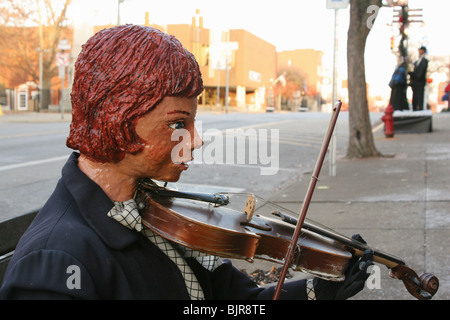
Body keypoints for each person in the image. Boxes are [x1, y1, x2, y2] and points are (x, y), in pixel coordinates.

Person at [0, 25, 373, 300]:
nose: (195, 141)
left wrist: (315, 290)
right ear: (118, 119)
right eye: (178, 124)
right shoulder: (55, 265)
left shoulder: (161, 215)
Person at [409, 46, 429, 111]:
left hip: (420, 82)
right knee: (414, 98)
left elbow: (421, 72)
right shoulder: (417, 61)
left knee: (420, 97)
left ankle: (420, 110)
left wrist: (415, 77)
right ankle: (414, 110)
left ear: (423, 51)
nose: (419, 51)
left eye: (420, 50)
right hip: (415, 83)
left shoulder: (424, 61)